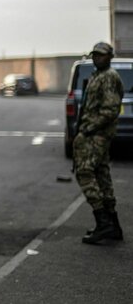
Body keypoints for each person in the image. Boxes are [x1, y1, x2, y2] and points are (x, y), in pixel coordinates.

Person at [74, 41, 125, 244]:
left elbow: (110, 110)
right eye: (95, 55)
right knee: (101, 175)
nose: (97, 58)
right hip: (94, 133)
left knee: (84, 172)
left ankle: (103, 222)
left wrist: (88, 129)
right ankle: (112, 225)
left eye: (101, 55)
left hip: (97, 135)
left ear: (109, 57)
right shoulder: (98, 76)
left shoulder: (109, 77)